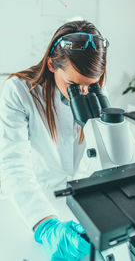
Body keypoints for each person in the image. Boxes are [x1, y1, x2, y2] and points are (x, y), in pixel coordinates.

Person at [0, 20, 109, 260]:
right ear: (51, 63)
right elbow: (13, 165)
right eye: (72, 84)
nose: (82, 93)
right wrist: (44, 224)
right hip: (38, 198)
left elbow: (106, 153)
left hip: (85, 198)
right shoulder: (19, 91)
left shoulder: (92, 91)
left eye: (90, 85)